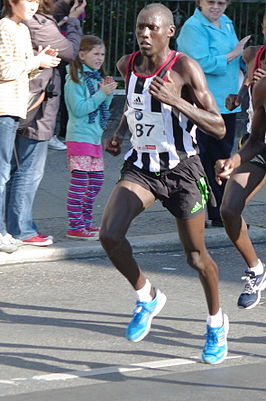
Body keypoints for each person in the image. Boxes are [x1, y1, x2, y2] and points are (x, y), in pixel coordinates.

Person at [100, 3, 229, 365]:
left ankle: (216, 323)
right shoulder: (127, 65)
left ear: (168, 32)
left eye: (152, 28)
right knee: (109, 235)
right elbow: (133, 104)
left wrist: (176, 101)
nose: (144, 34)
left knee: (195, 257)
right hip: (142, 168)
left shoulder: (185, 68)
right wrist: (119, 134)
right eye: (140, 28)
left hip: (183, 171)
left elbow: (218, 126)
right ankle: (147, 295)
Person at [5, 0, 84, 246]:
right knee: (28, 170)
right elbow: (70, 52)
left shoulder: (25, 23)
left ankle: (12, 228)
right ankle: (21, 229)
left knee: (15, 170)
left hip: (24, 104)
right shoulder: (34, 23)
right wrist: (73, 22)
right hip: (35, 109)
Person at [176, 0, 250, 227]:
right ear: (200, 2)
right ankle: (219, 212)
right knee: (207, 157)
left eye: (221, 2)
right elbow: (197, 63)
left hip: (226, 101)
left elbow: (237, 60)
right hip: (204, 102)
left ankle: (221, 211)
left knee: (221, 155)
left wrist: (246, 62)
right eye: (211, 2)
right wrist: (234, 53)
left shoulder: (226, 22)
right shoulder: (193, 27)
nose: (216, 6)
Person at [0, 0, 60, 253]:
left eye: (37, 1)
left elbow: (23, 72)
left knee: (5, 172)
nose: (34, 6)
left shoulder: (22, 30)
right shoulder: (4, 27)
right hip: (3, 108)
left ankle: (4, 231)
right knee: (2, 174)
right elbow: (4, 70)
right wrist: (35, 61)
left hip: (15, 108)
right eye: (29, 0)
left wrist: (40, 63)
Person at [215, 15, 266, 310]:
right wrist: (240, 97)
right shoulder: (253, 55)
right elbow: (248, 100)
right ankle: (256, 270)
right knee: (229, 209)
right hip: (257, 144)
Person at [64, 35, 117, 240]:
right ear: (82, 54)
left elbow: (102, 106)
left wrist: (108, 91)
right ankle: (75, 225)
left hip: (94, 138)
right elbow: (79, 109)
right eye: (96, 53)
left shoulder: (94, 78)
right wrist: (102, 93)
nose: (100, 58)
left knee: (96, 181)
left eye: (102, 54)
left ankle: (85, 222)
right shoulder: (74, 80)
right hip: (79, 137)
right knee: (80, 182)